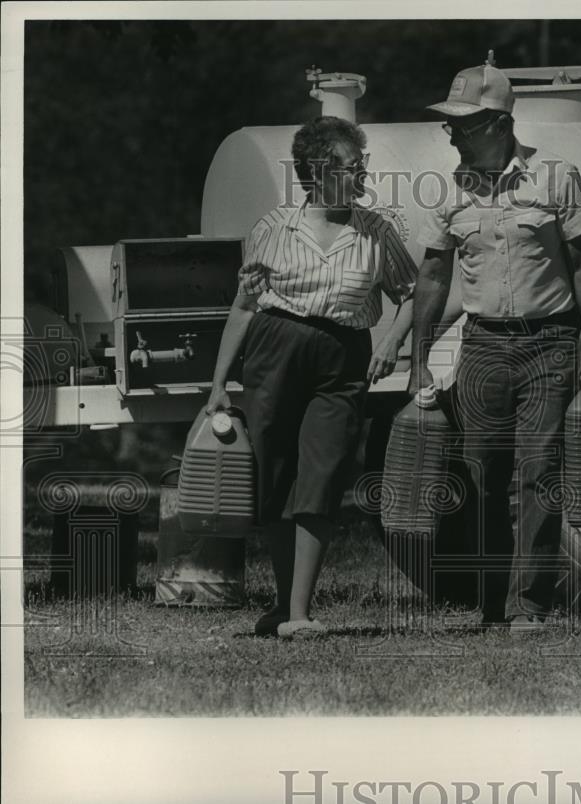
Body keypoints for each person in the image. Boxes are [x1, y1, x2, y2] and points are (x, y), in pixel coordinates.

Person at [409, 58, 581, 634]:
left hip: (549, 343)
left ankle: (529, 606)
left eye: (463, 125)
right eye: (449, 125)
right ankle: (491, 603)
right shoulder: (449, 191)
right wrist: (420, 357)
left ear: (498, 124)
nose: (452, 134)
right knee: (482, 475)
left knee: (538, 472)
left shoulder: (555, 177)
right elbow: (431, 276)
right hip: (481, 348)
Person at [206, 116, 418, 639]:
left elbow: (414, 292)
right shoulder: (273, 228)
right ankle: (283, 607)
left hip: (343, 357)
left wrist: (393, 342)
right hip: (274, 347)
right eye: (353, 166)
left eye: (363, 164)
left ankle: (299, 612)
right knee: (275, 474)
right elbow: (243, 305)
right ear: (320, 173)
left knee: (322, 476)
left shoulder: (377, 231)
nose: (363, 175)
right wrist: (217, 385)